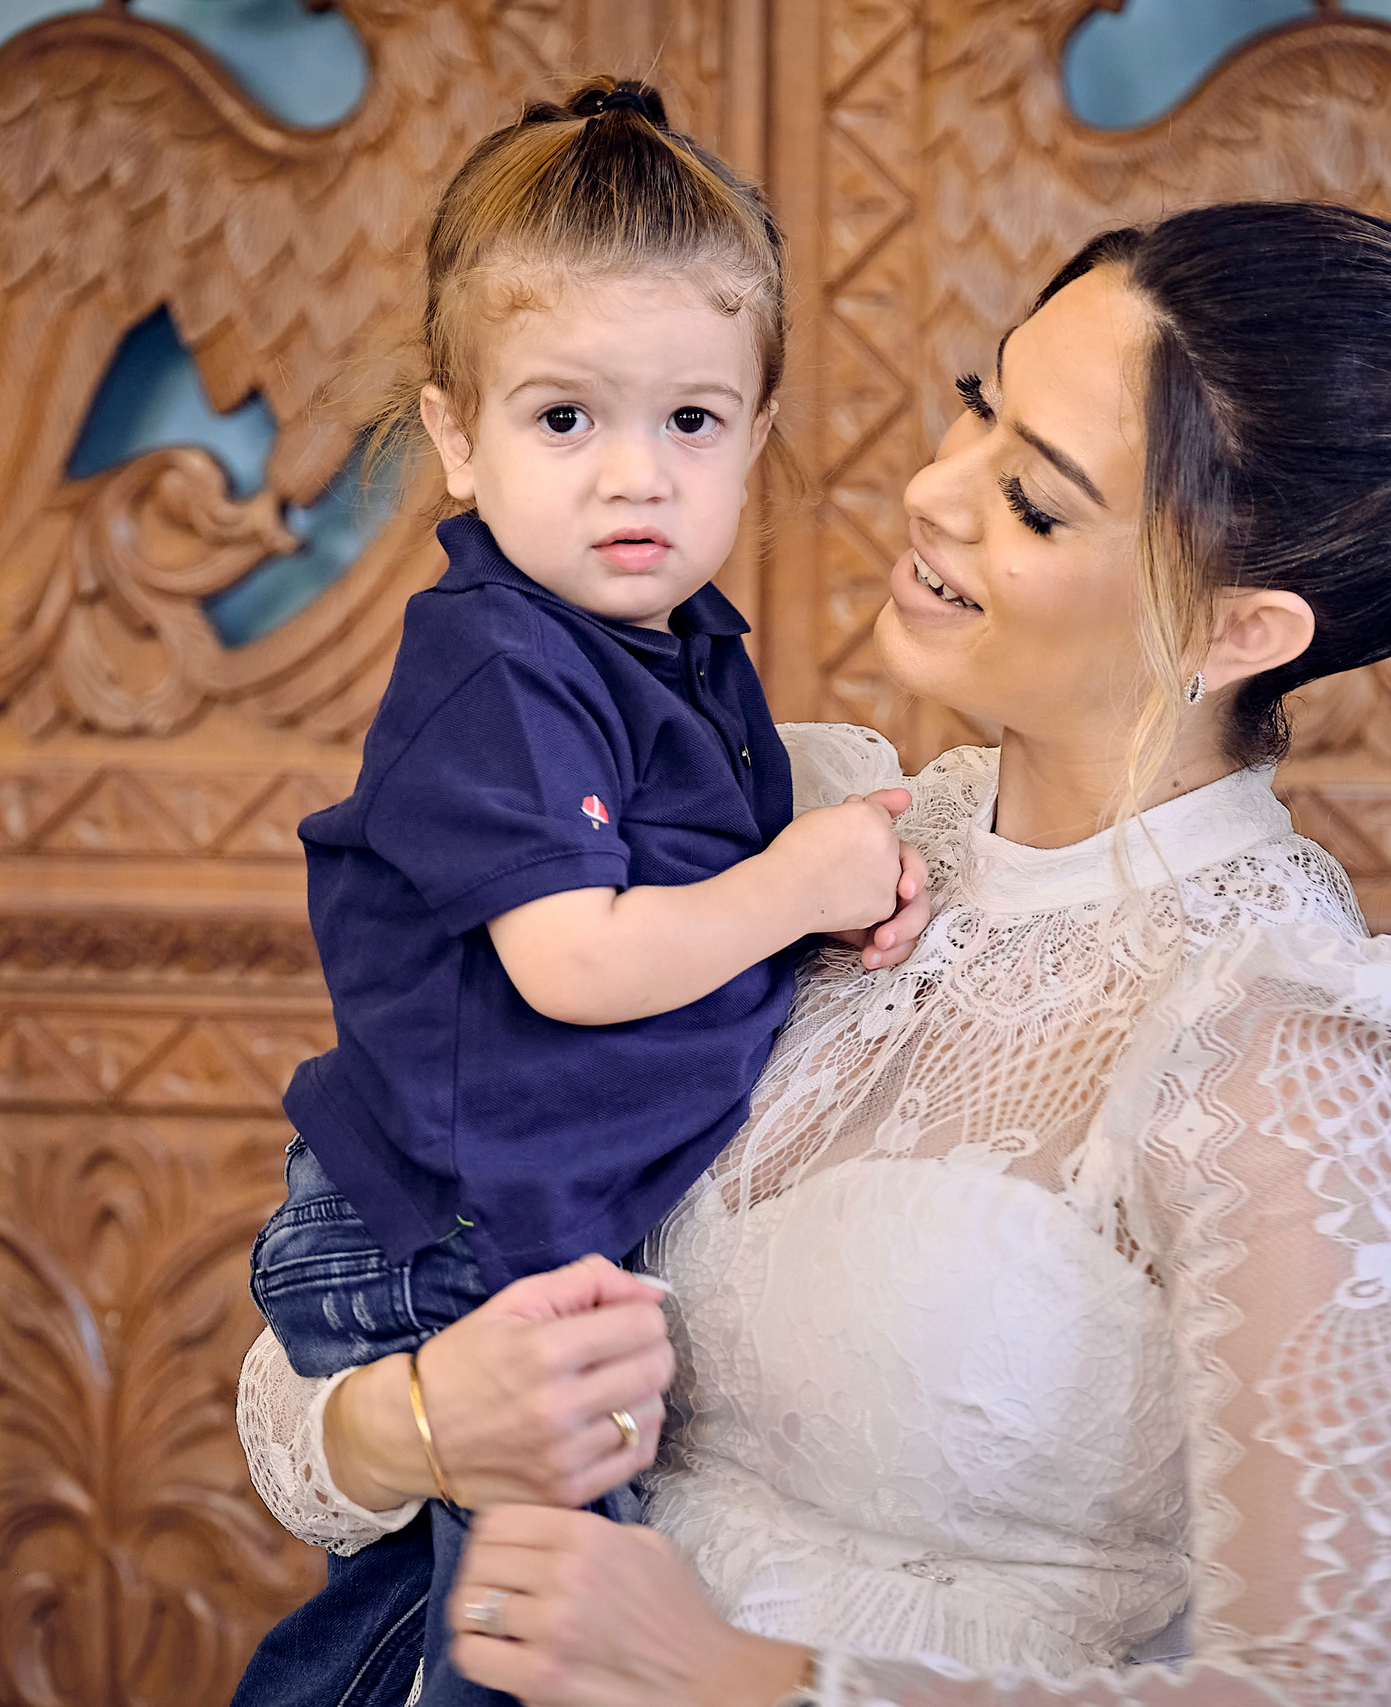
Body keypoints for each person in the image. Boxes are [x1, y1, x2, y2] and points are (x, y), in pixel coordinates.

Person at [237, 199, 1391, 1707]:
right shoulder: (785, 833)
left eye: (1038, 504)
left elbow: (1327, 1691)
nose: (933, 494)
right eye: (978, 410)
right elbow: (330, 1339)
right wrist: (416, 1423)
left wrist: (740, 1678)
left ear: (1237, 630)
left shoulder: (1281, 1049)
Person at [235, 77, 930, 1707]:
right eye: (566, 419)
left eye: (690, 421)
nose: (636, 478)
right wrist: (796, 880)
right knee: (542, 1625)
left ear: (757, 436)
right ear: (455, 441)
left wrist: (822, 901)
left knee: (419, 1622)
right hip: (447, 1229)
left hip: (514, 1208)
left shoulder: (671, 653)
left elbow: (695, 890)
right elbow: (575, 962)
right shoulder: (498, 660)